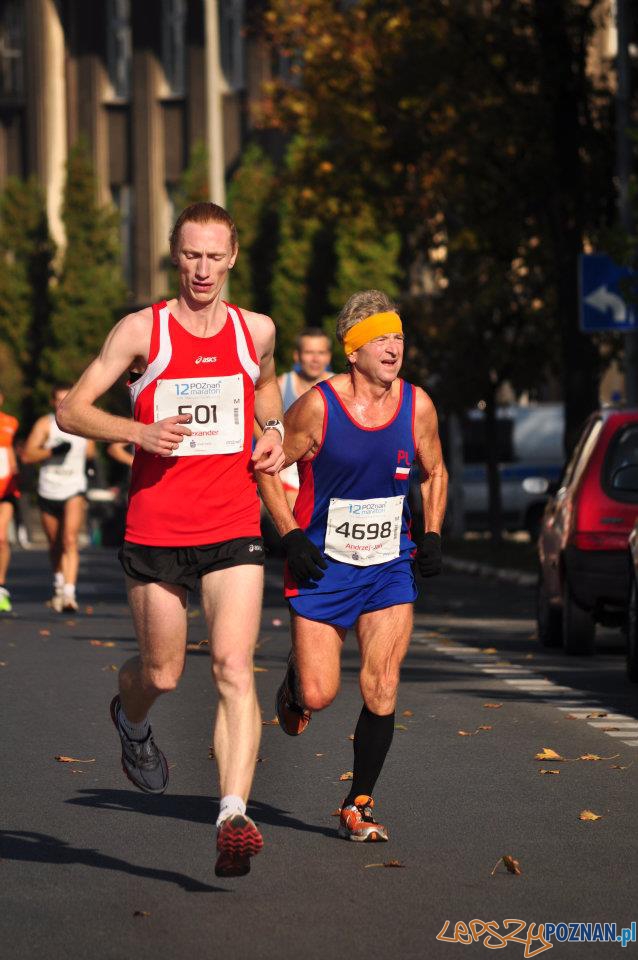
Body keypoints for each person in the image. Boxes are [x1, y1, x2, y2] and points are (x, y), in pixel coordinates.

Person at [56, 201, 285, 878]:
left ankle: (232, 813)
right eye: (191, 255)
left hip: (233, 523)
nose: (203, 269)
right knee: (162, 671)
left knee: (234, 668)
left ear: (233, 257)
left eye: (215, 256)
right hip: (157, 527)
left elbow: (266, 387)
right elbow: (71, 408)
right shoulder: (141, 331)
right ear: (173, 255)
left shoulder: (256, 331)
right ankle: (131, 722)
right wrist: (137, 433)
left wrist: (270, 431)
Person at [259, 289, 448, 843]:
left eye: (398, 337)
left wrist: (431, 534)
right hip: (323, 565)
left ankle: (357, 802)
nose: (393, 348)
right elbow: (267, 468)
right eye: (379, 339)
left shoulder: (419, 406)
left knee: (382, 684)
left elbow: (434, 472)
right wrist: (291, 537)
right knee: (318, 695)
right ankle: (296, 680)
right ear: (353, 350)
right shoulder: (319, 407)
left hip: (389, 565)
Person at [22, 385, 95, 613]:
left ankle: (70, 594)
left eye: (68, 399)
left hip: (74, 487)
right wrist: (51, 452)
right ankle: (59, 583)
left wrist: (89, 465)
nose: (64, 404)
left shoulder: (83, 423)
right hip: (48, 489)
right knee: (55, 544)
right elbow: (27, 454)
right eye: (60, 401)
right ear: (54, 403)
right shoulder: (46, 425)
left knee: (69, 539)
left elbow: (90, 452)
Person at [277, 328, 332, 509]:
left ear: (328, 357)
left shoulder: (340, 386)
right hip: (288, 467)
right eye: (309, 352)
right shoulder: (281, 385)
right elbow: (255, 417)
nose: (315, 359)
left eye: (321, 353)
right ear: (297, 356)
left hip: (326, 466)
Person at [0, 391, 19, 612]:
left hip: (6, 488)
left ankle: (1, 586)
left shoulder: (10, 422)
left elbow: (9, 449)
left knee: (2, 537)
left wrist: (15, 470)